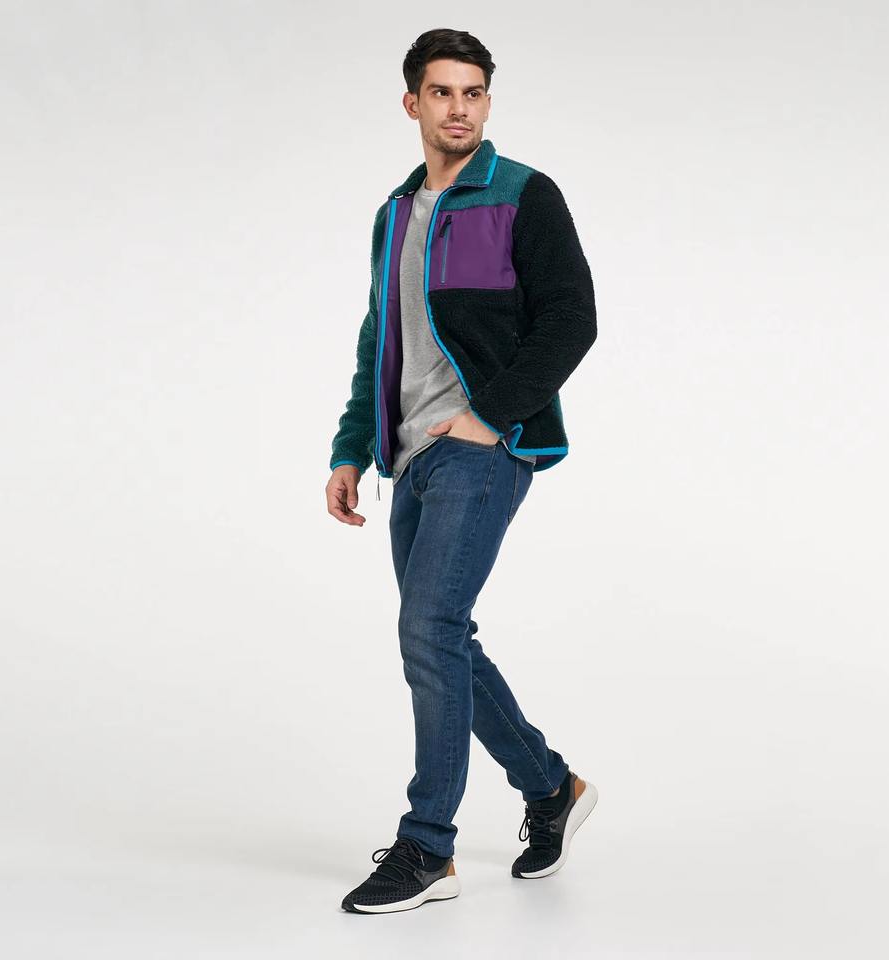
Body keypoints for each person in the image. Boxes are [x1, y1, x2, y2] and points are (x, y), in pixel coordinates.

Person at [326, 28, 599, 915]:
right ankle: (551, 788)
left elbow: (572, 319)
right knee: (441, 637)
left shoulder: (522, 195)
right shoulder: (395, 213)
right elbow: (380, 338)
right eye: (442, 92)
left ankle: (427, 847)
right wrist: (350, 448)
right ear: (412, 103)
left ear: (487, 101)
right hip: (409, 453)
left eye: (473, 92)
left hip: (484, 448)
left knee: (429, 626)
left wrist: (490, 416)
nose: (459, 108)